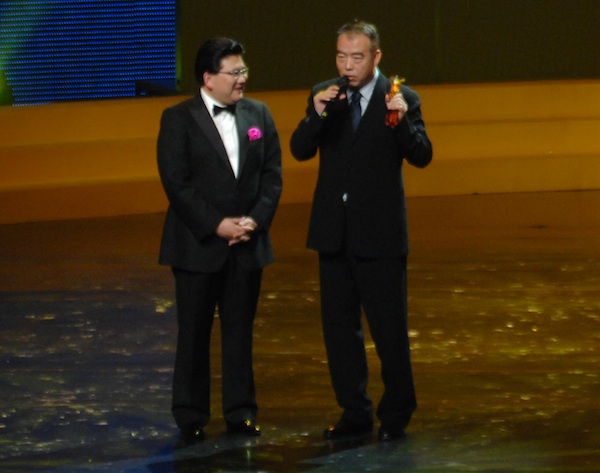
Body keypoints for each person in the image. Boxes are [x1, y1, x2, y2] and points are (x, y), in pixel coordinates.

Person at [290, 20, 432, 441]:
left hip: (381, 236)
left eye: (356, 57)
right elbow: (299, 149)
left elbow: (422, 155)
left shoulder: (400, 97)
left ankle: (396, 414)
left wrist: (402, 122)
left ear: (376, 57)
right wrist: (316, 113)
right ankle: (354, 411)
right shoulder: (326, 95)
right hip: (333, 233)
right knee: (339, 331)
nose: (347, 65)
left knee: (389, 331)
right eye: (341, 56)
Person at [157, 37, 282, 441]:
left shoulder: (259, 114)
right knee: (193, 333)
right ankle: (190, 414)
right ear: (208, 78)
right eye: (234, 72)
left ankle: (240, 411)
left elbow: (272, 176)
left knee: (239, 333)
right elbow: (176, 183)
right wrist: (217, 225)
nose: (242, 78)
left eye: (244, 70)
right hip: (198, 245)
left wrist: (253, 221)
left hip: (246, 244)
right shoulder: (178, 118)